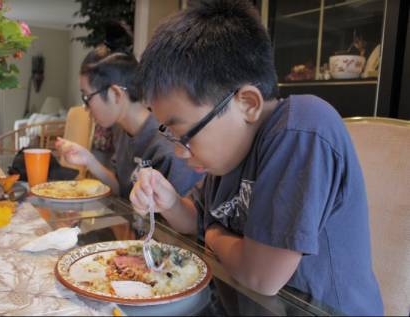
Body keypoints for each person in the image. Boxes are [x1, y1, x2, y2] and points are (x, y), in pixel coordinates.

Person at [129, 1, 383, 315]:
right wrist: (166, 201)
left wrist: (211, 233)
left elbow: (262, 277)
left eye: (185, 135)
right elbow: (195, 217)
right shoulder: (229, 153)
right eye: (170, 135)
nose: (179, 152)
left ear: (247, 103)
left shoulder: (301, 129)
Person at [56, 20, 204, 199]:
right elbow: (122, 189)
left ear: (116, 94)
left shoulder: (166, 141)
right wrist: (89, 160)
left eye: (87, 97)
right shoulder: (122, 131)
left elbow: (180, 218)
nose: (86, 108)